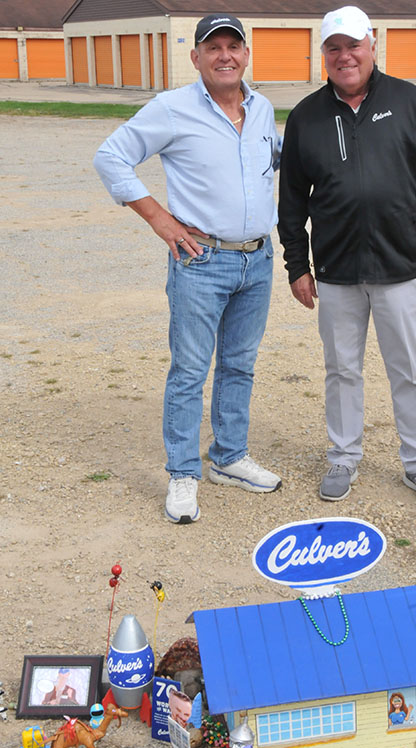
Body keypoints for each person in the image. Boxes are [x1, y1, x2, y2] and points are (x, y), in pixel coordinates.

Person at [94, 13, 282, 524]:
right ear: (195, 56)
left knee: (239, 364)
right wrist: (157, 217)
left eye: (233, 46)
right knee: (190, 371)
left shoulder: (262, 108)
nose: (225, 55)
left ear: (246, 54)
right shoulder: (172, 108)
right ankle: (182, 472)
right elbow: (111, 156)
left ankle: (228, 456)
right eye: (213, 47)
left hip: (257, 259)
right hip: (201, 260)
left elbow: (272, 165)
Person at [278, 6, 416, 508]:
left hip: (400, 270)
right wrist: (298, 266)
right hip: (335, 274)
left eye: (353, 45)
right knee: (341, 370)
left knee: (408, 370)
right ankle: (343, 456)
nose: (344, 56)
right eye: (333, 48)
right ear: (324, 55)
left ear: (372, 44)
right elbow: (291, 204)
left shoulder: (409, 102)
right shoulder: (306, 116)